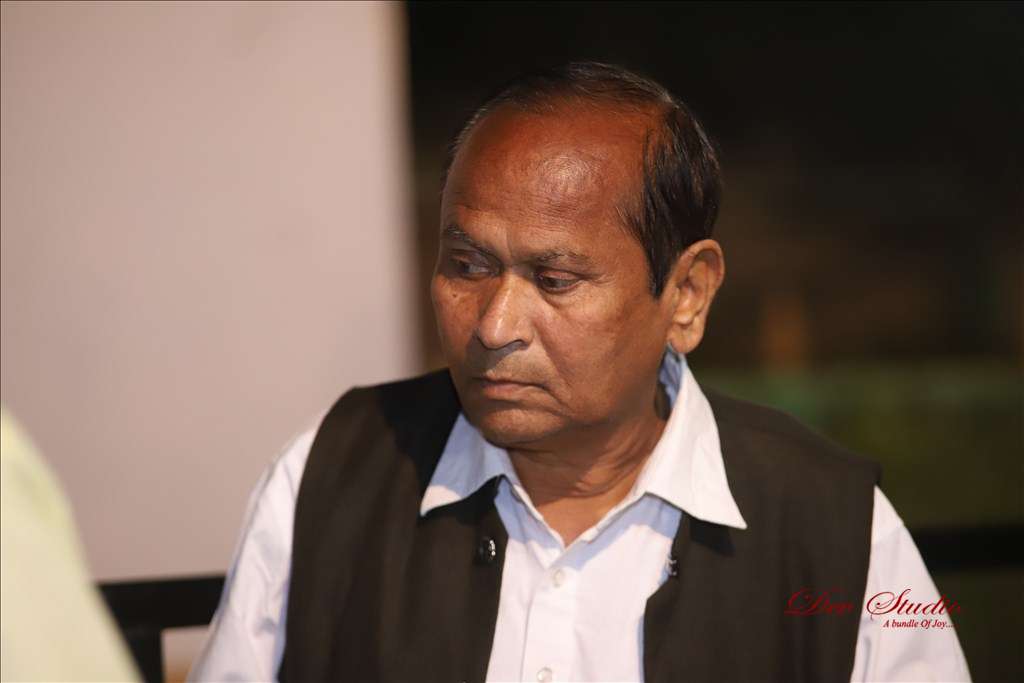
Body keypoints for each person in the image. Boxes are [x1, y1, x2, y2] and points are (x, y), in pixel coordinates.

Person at [189, 62, 971, 682]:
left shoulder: (832, 528)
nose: (495, 325)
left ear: (687, 294)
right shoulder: (332, 479)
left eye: (555, 280)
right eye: (467, 265)